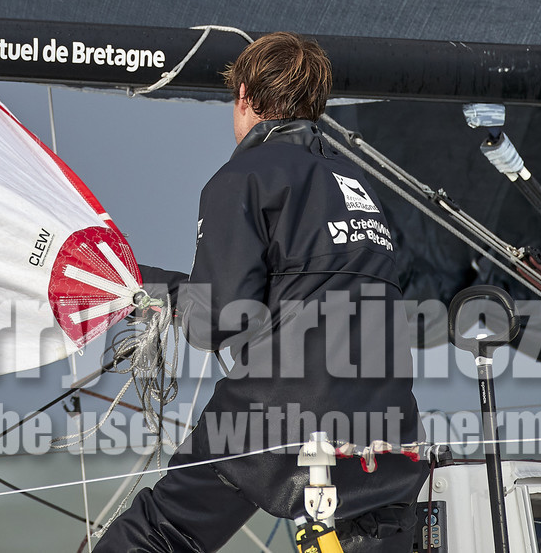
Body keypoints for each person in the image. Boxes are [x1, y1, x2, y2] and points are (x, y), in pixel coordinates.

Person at [94, 32, 426, 553]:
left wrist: (144, 287)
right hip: (387, 425)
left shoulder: (244, 176)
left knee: (163, 531)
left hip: (277, 415)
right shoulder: (357, 185)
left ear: (245, 95)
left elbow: (217, 318)